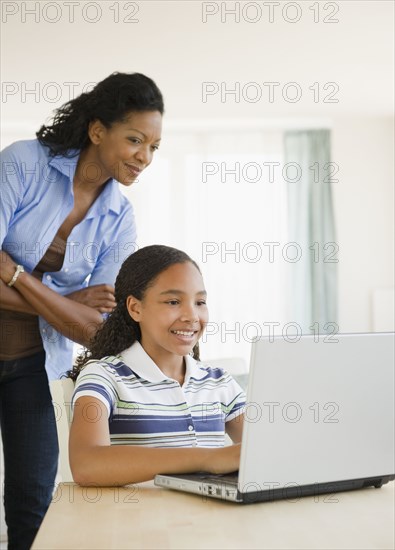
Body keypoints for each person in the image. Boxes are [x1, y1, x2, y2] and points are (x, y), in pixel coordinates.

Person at [0, 72, 163, 549]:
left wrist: (15, 276)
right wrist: (65, 305)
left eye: (154, 147)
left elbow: (97, 330)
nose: (144, 157)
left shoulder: (121, 217)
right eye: (135, 139)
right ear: (97, 130)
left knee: (33, 505)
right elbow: (78, 315)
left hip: (34, 367)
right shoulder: (23, 164)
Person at [69, 245, 245, 486]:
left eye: (200, 302)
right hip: (134, 519)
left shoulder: (218, 382)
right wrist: (208, 458)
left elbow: (266, 453)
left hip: (209, 519)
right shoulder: (104, 376)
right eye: (173, 301)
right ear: (135, 308)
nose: (191, 315)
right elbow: (86, 465)